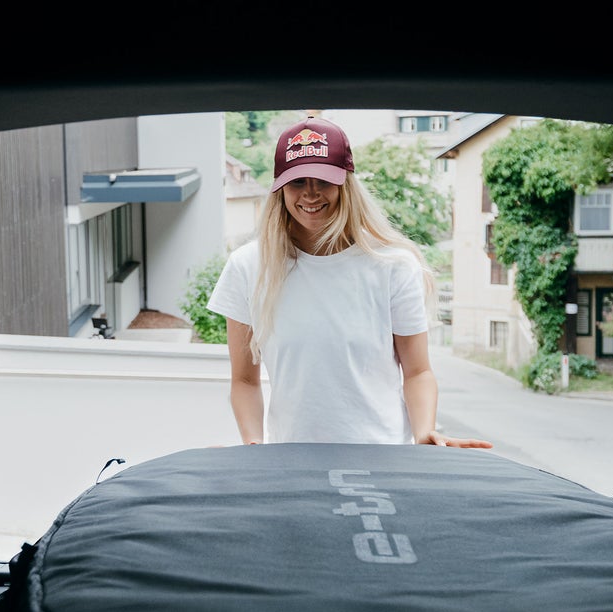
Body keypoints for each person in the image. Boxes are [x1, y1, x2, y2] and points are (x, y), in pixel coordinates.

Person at [207, 114, 492, 449]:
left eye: (323, 181)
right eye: (298, 182)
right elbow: (244, 380)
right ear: (280, 188)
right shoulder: (247, 267)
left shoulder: (393, 266)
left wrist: (424, 433)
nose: (311, 194)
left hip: (383, 459)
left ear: (346, 183)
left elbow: (417, 372)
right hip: (291, 460)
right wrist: (253, 443)